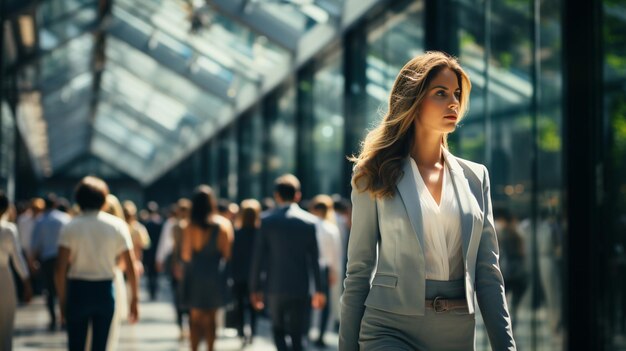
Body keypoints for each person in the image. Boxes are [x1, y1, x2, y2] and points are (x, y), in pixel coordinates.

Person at [339, 51, 516, 351]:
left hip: (456, 331)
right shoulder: (374, 172)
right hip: (388, 327)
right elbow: (358, 269)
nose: (453, 103)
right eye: (440, 93)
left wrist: (506, 346)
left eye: (457, 94)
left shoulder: (476, 177)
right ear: (413, 100)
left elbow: (488, 273)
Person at [55, 176, 139, 351]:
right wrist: (134, 300)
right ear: (104, 200)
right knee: (101, 346)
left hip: (78, 290)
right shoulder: (117, 225)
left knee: (76, 345)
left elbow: (60, 269)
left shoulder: (70, 227)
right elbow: (131, 266)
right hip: (105, 290)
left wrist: (62, 301)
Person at [249, 174, 326, 351]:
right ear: (297, 195)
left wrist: (254, 288)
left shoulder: (267, 221)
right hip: (301, 286)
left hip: (274, 286)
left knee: (278, 329)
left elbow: (258, 258)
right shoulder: (309, 222)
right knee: (298, 333)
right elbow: (315, 259)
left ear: (277, 195)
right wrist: (319, 290)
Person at [181, 186, 233, 351]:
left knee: (194, 319)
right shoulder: (223, 225)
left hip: (196, 275)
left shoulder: (189, 226)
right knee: (212, 318)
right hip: (214, 275)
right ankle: (211, 348)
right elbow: (227, 254)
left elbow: (186, 255)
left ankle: (194, 348)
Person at [30, 193, 71, 331]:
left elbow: (35, 244)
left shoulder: (40, 221)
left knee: (49, 290)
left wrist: (32, 262)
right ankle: (64, 315)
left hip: (47, 259)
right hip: (63, 258)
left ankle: (53, 317)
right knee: (64, 288)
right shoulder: (65, 219)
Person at [0, 191, 32, 351]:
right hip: (4, 277)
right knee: (5, 325)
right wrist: (26, 282)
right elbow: (18, 259)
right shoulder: (8, 229)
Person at [309, 194, 342, 347]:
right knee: (325, 304)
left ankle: (306, 332)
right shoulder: (331, 228)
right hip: (325, 269)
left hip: (309, 267)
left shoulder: (308, 225)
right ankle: (320, 335)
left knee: (308, 300)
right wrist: (334, 272)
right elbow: (336, 254)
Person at [230, 199, 261, 345]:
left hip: (239, 273)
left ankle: (242, 331)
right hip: (255, 274)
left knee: (240, 304)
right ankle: (253, 332)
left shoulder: (236, 233)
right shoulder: (260, 234)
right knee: (254, 304)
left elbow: (232, 256)